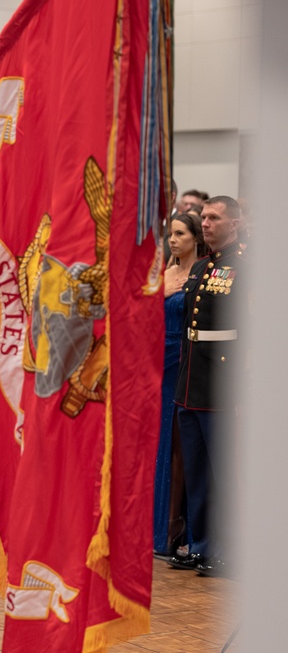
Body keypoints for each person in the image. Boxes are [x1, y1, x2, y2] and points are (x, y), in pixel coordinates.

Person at [167, 196, 244, 577]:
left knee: (224, 473)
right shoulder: (199, 268)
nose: (208, 223)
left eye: (215, 217)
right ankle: (201, 544)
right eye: (206, 217)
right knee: (196, 473)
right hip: (190, 385)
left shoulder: (244, 269)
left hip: (222, 387)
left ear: (235, 222)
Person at [154, 212, 206, 559]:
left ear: (195, 237)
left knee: (177, 448)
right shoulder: (164, 275)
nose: (173, 240)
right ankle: (152, 526)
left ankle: (173, 526)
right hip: (155, 360)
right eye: (170, 234)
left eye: (180, 233)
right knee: (156, 445)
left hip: (184, 362)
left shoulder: (201, 273)